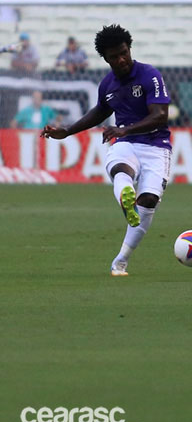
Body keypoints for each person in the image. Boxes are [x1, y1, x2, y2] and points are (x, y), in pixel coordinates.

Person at [41, 25, 173, 278]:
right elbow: (100, 111)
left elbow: (160, 116)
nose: (121, 59)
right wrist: (67, 131)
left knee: (148, 202)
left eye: (124, 53)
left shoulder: (149, 75)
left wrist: (126, 129)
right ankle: (125, 190)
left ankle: (121, 261)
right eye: (114, 56)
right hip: (124, 142)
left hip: (156, 146)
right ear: (106, 58)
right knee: (120, 166)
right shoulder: (108, 84)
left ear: (129, 49)